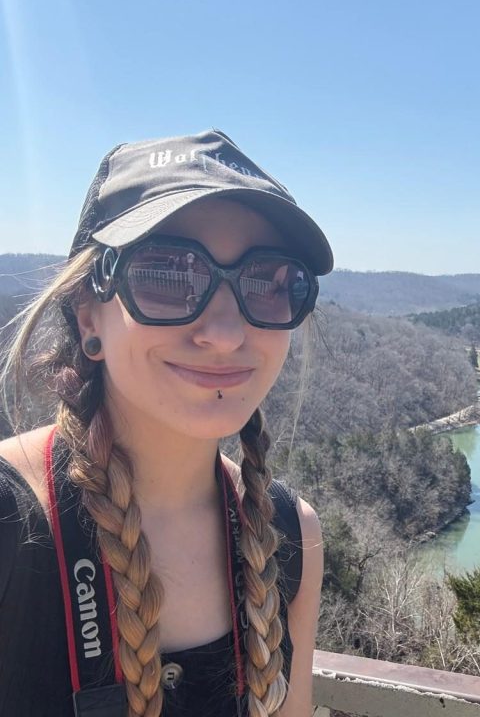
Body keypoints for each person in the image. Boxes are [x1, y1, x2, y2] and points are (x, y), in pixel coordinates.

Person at [0, 129, 334, 717]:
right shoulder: (11, 520)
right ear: (89, 318)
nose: (225, 333)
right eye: (167, 276)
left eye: (269, 282)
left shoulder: (290, 534)